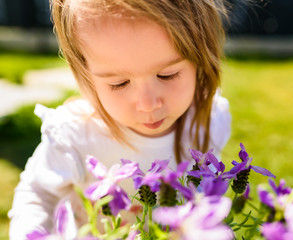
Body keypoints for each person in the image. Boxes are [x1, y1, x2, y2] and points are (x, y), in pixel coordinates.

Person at [8, 0, 231, 239]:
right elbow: (37, 196)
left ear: (201, 57)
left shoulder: (209, 120)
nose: (148, 104)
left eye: (168, 75)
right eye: (119, 83)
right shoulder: (75, 135)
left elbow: (207, 193)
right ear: (85, 74)